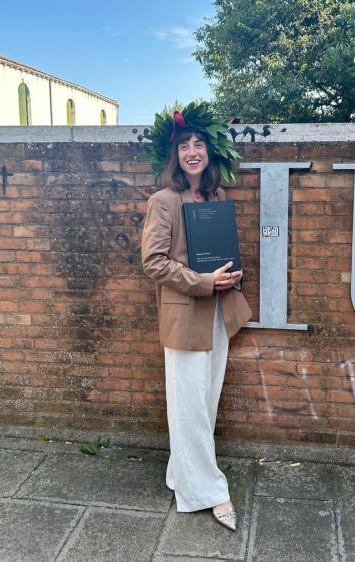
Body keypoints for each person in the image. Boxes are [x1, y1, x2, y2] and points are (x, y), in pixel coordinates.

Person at [140, 102, 252, 531]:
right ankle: (209, 491)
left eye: (198, 144)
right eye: (184, 145)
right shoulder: (163, 201)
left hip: (219, 313)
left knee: (204, 401)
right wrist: (204, 281)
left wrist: (230, 272)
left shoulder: (216, 196)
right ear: (175, 154)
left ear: (209, 151)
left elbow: (219, 251)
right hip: (186, 315)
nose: (192, 151)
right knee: (188, 405)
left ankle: (180, 474)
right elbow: (153, 262)